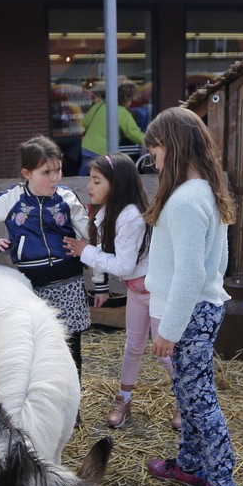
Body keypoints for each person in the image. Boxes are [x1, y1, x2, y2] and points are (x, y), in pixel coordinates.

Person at [140, 106, 239, 486]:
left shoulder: (184, 200)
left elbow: (191, 272)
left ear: (175, 146)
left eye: (157, 152)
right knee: (186, 393)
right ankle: (191, 464)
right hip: (200, 310)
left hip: (188, 315)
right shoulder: (206, 192)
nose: (156, 161)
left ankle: (221, 485)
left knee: (199, 401)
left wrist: (170, 329)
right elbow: (218, 262)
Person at [61, 152, 175, 429]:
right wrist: (94, 267)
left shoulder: (131, 216)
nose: (89, 186)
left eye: (96, 181)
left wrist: (85, 251)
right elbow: (107, 251)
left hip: (156, 292)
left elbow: (123, 265)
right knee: (133, 346)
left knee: (163, 352)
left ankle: (188, 400)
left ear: (117, 183)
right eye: (91, 179)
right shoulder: (107, 213)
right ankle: (124, 399)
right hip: (136, 290)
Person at [0, 135, 91, 372]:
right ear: (27, 173)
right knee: (40, 351)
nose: (55, 178)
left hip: (70, 285)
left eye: (58, 170)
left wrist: (100, 282)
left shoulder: (67, 198)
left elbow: (92, 237)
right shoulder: (13, 199)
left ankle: (74, 397)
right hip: (32, 289)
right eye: (46, 172)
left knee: (72, 354)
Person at [80, 80, 145, 175]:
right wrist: (148, 140)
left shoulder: (100, 105)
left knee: (83, 175)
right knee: (102, 177)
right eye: (131, 100)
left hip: (87, 146)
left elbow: (85, 122)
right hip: (102, 151)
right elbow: (133, 133)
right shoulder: (123, 113)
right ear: (127, 99)